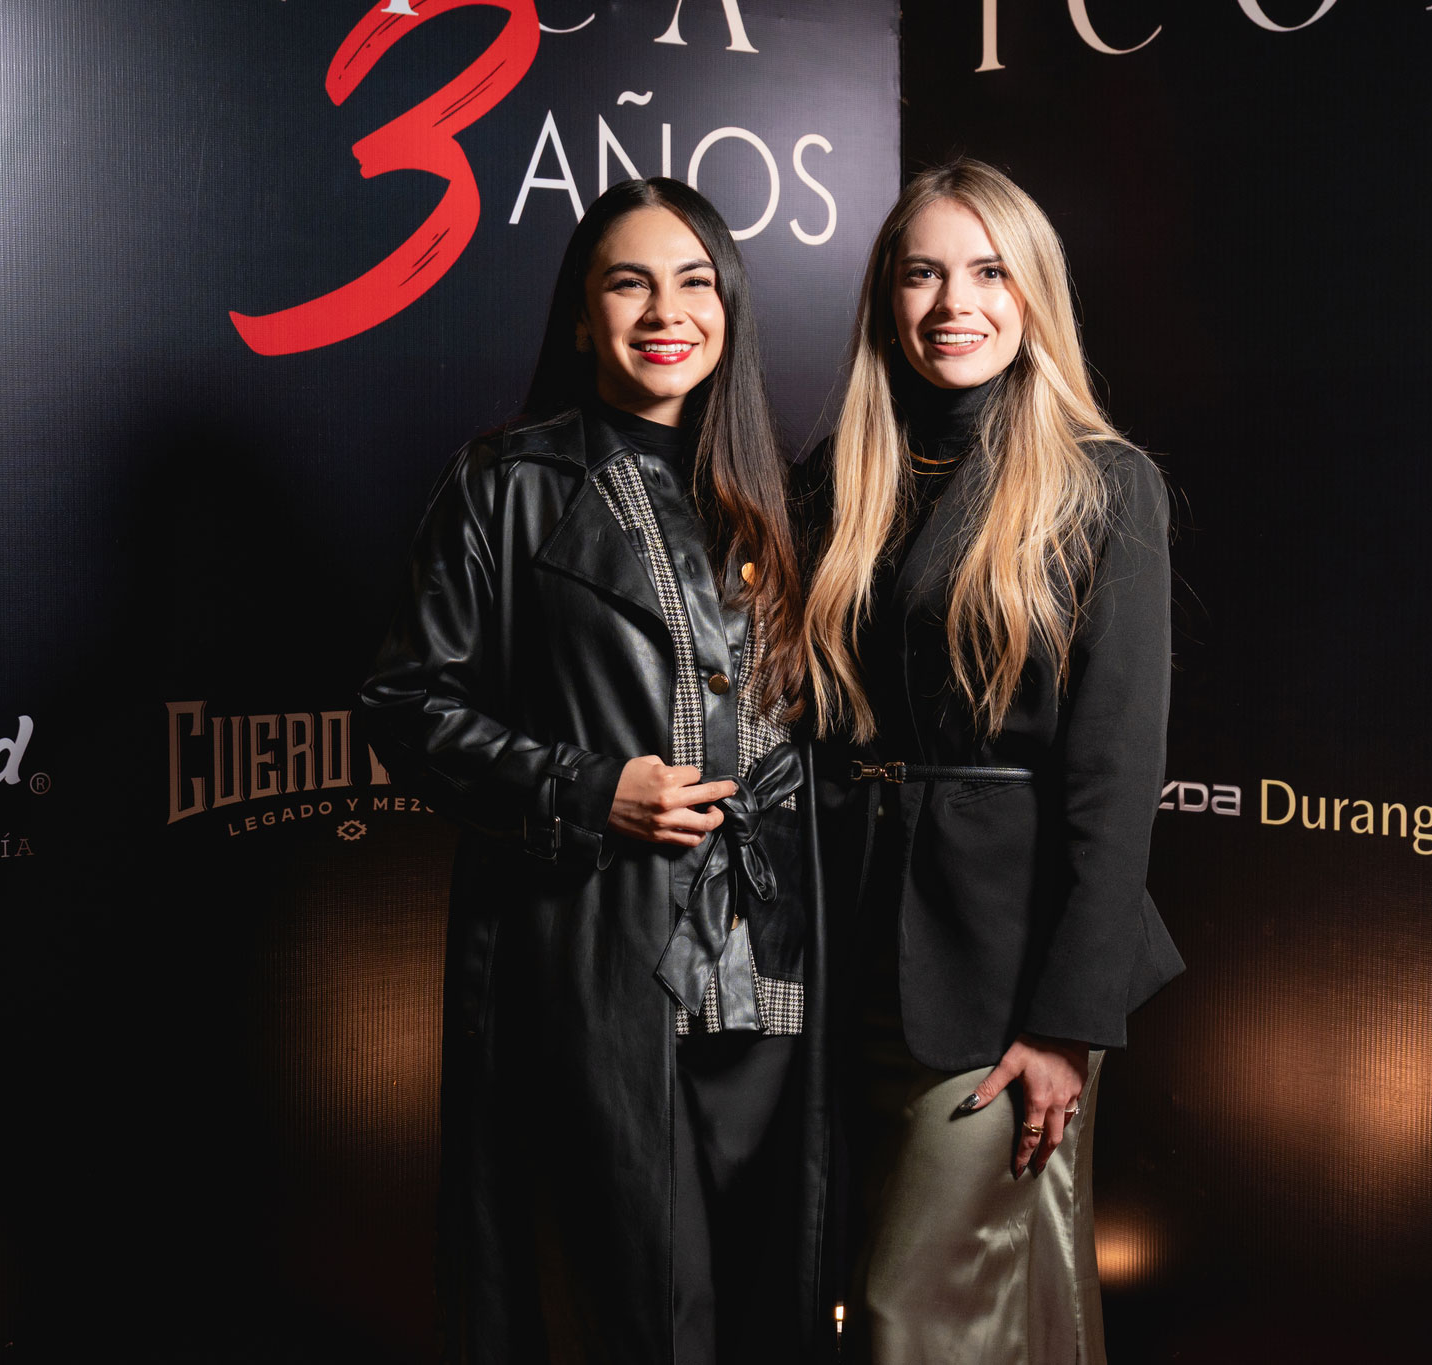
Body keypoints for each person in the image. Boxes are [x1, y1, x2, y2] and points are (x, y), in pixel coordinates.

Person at [360, 178, 830, 1365]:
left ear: (728, 305)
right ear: (581, 316)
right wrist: (585, 789)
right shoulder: (506, 482)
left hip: (769, 971)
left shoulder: (780, 497)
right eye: (629, 283)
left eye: (693, 281)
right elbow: (406, 705)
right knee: (630, 1301)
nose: (666, 312)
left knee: (764, 1296)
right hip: (598, 951)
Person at [799, 159, 1184, 1363]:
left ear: (1032, 295)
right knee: (996, 1292)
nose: (952, 303)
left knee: (917, 1312)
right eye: (921, 273)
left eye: (987, 272)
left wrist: (1067, 1025)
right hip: (844, 943)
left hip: (1004, 972)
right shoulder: (834, 478)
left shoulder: (1101, 484)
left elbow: (1114, 778)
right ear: (885, 296)